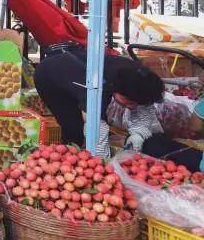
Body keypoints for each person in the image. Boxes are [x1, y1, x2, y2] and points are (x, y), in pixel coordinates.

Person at [33, 42, 202, 170]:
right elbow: (96, 131)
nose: (132, 107)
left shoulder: (141, 79)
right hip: (50, 76)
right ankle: (66, 164)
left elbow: (144, 112)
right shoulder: (97, 90)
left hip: (83, 68)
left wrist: (138, 136)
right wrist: (102, 165)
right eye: (129, 102)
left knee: (150, 139)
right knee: (73, 129)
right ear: (116, 91)